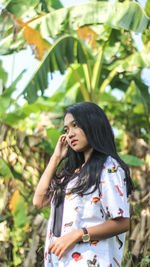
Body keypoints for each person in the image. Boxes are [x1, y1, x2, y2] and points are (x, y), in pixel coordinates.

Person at [33, 102, 133, 267]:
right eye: (66, 130)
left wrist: (79, 234)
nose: (70, 134)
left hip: (90, 260)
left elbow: (122, 222)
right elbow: (39, 200)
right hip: (59, 261)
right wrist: (56, 158)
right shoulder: (71, 174)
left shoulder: (108, 166)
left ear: (93, 124)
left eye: (75, 125)